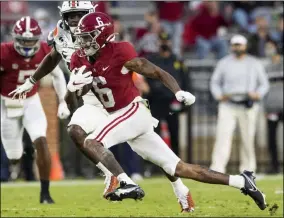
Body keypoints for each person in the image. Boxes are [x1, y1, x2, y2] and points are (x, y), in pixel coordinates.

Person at [69, 12, 266, 211]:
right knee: (179, 168)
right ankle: (242, 182)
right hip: (121, 118)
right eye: (82, 36)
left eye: (88, 36)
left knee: (92, 142)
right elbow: (81, 93)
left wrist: (178, 92)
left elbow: (155, 71)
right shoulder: (80, 58)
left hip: (133, 112)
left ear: (102, 36)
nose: (82, 42)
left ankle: (126, 182)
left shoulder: (120, 52)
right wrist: (75, 87)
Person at [9, 1, 140, 200]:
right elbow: (53, 58)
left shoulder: (98, 29)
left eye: (79, 15)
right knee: (76, 131)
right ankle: (114, 176)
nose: (74, 19)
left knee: (142, 144)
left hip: (112, 90)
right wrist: (32, 80)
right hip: (87, 94)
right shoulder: (59, 34)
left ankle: (174, 183)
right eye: (70, 16)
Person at [1, 16, 70, 203]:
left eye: (31, 41)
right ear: (14, 38)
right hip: (6, 102)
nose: (27, 44)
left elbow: (58, 75)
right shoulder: (4, 52)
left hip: (31, 100)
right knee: (13, 155)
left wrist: (63, 101)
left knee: (41, 141)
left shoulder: (44, 51)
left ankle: (45, 193)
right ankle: (15, 165)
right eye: (23, 40)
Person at [210, 35, 270, 174]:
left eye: (239, 44)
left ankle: (248, 170)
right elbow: (215, 82)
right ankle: (217, 169)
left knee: (248, 138)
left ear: (245, 46)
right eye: (234, 44)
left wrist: (258, 94)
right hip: (228, 104)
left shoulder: (254, 63)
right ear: (231, 46)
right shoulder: (224, 63)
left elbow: (264, 84)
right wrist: (218, 95)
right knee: (223, 136)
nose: (237, 47)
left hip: (247, 104)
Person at [146, 32, 186, 156]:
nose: (164, 44)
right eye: (162, 41)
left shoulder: (177, 60)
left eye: (166, 41)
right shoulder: (152, 60)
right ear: (158, 43)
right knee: (154, 134)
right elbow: (147, 81)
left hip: (172, 102)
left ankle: (176, 162)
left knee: (174, 133)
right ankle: (153, 165)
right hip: (156, 101)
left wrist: (184, 102)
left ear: (171, 43)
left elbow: (185, 81)